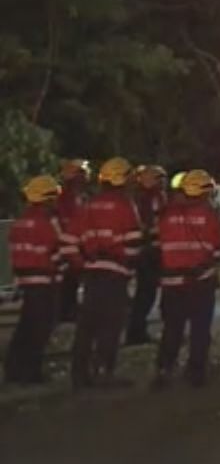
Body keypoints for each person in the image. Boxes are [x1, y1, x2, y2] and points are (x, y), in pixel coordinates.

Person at [72, 157, 144, 388]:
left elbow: (71, 239)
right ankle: (105, 371)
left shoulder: (89, 205)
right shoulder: (125, 205)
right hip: (115, 273)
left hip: (91, 272)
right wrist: (131, 264)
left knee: (87, 324)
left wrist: (82, 263)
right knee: (111, 324)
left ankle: (79, 373)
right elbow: (133, 242)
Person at [154, 169, 220, 389]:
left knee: (172, 328)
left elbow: (158, 246)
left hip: (172, 283)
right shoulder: (210, 216)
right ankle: (196, 372)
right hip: (201, 281)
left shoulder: (167, 215)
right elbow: (218, 249)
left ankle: (164, 368)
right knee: (200, 329)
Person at [5, 175, 75, 385]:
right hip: (45, 282)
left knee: (27, 326)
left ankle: (14, 369)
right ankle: (31, 373)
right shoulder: (46, 222)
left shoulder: (21, 222)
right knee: (41, 329)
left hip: (28, 281)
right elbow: (56, 251)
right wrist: (67, 270)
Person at [125, 164, 167, 345]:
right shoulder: (145, 199)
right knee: (145, 293)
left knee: (148, 292)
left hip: (154, 249)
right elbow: (146, 226)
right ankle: (135, 332)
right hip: (147, 251)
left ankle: (137, 330)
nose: (163, 182)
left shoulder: (158, 197)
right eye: (159, 179)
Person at [54, 158, 90, 321]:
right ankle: (65, 311)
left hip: (73, 244)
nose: (85, 177)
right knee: (68, 280)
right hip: (65, 246)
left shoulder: (79, 196)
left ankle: (69, 309)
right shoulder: (65, 198)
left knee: (73, 280)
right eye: (81, 173)